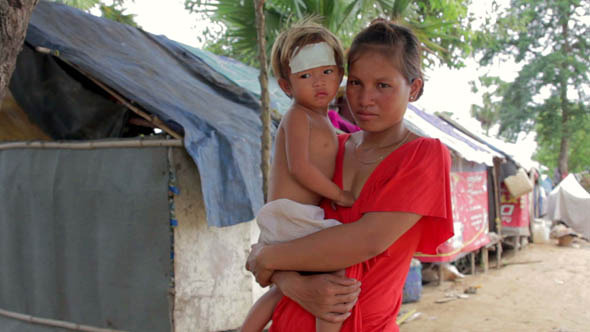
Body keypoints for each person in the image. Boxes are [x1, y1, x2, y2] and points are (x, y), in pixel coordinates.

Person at [246, 19, 454, 332]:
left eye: (383, 85)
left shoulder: (423, 156)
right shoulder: (332, 147)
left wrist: (270, 259)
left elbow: (365, 241)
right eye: (356, 83)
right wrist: (292, 283)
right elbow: (278, 236)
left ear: (414, 88)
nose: (364, 98)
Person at [240, 19, 355, 332]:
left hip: (293, 216)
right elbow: (300, 168)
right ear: (286, 86)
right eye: (306, 75)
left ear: (340, 75)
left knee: (281, 290)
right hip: (292, 216)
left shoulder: (327, 122)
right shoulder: (297, 117)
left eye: (326, 72)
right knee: (339, 265)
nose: (318, 82)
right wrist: (339, 195)